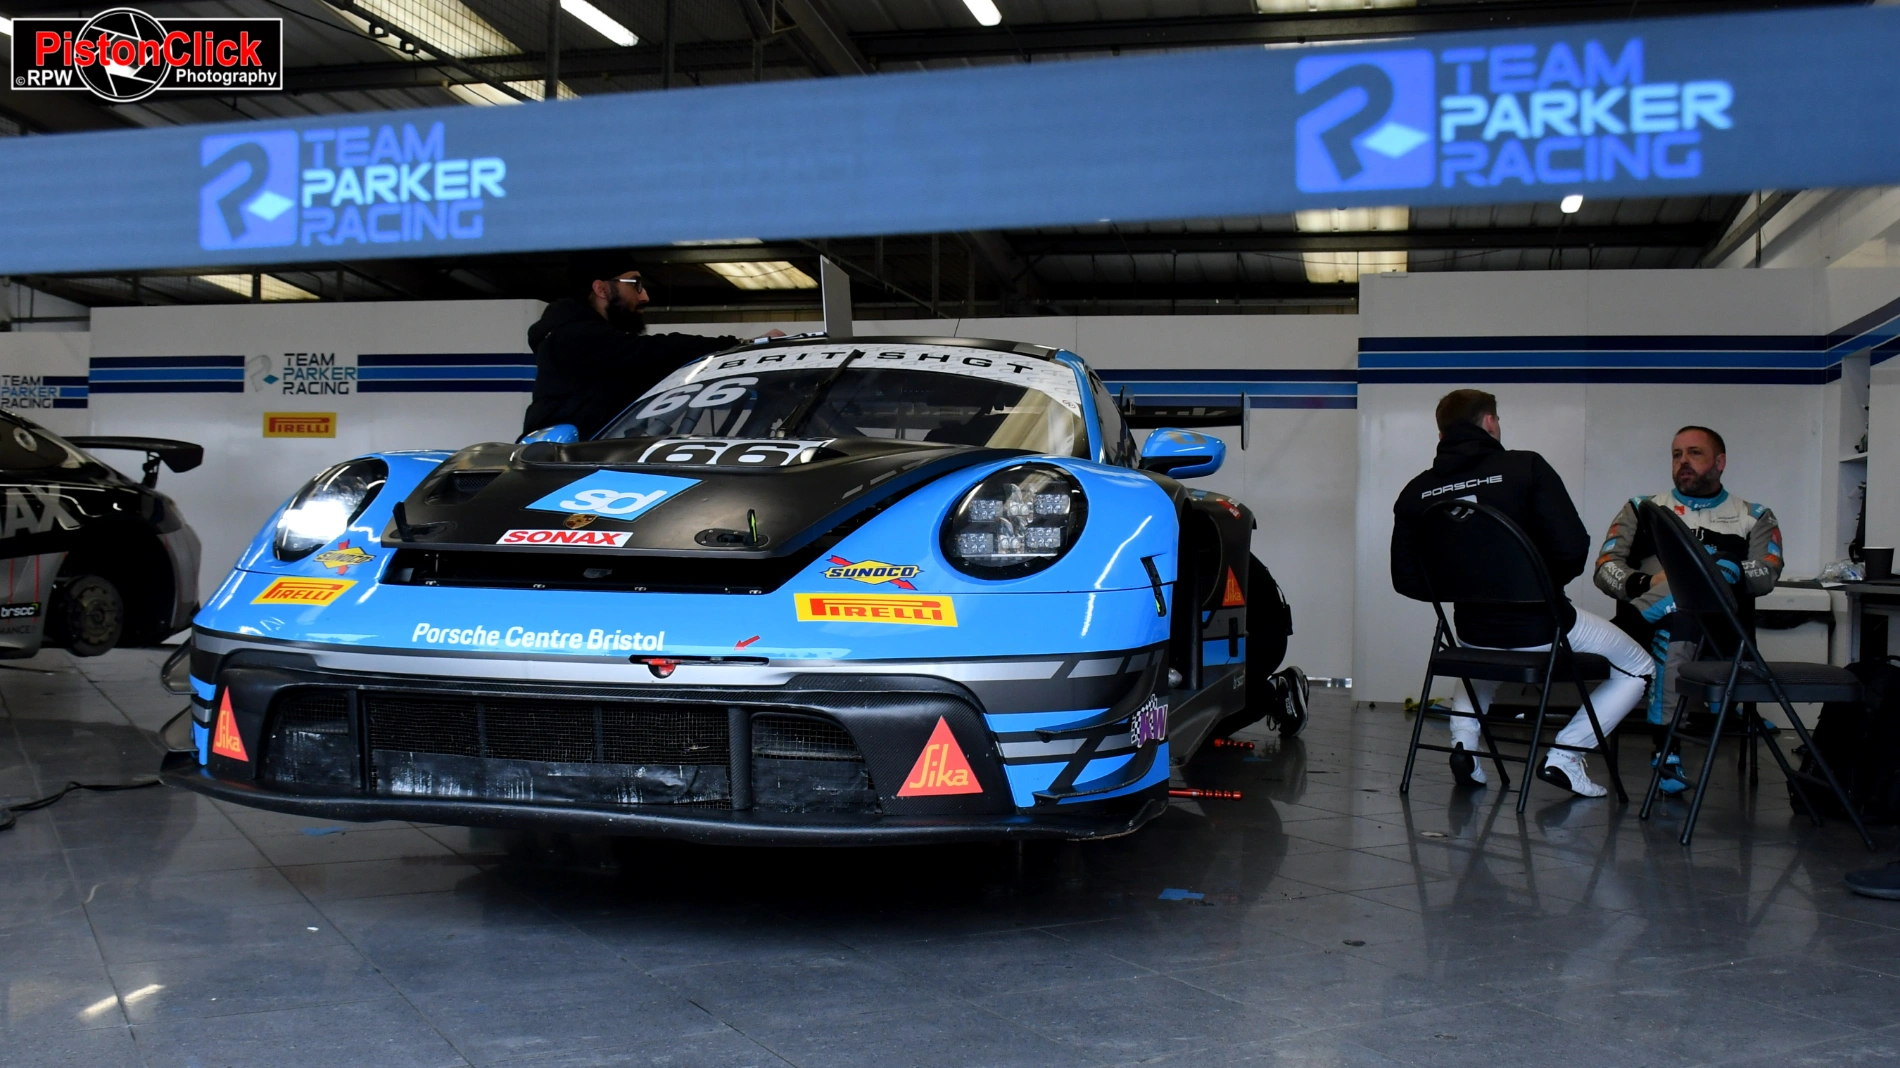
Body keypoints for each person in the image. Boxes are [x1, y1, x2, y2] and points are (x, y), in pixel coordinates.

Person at [1392, 390, 1654, 797]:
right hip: (1542, 625)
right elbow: (1571, 548)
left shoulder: (1415, 492)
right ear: (1490, 423)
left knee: (1482, 663)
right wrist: (1535, 590)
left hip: (1471, 631)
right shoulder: (1525, 467)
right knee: (1638, 667)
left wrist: (1471, 589)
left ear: (1441, 433)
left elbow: (1405, 578)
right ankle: (1565, 757)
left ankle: (1464, 747)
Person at [1594, 426, 1783, 794]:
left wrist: (1714, 573)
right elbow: (1605, 568)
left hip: (1724, 635)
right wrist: (1647, 583)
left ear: (1720, 462)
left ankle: (1630, 626)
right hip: (1659, 635)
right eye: (1676, 454)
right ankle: (1667, 748)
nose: (1683, 462)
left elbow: (1768, 571)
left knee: (1719, 570)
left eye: (1694, 453)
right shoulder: (1642, 508)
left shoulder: (1754, 515)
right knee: (1679, 619)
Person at [522, 260, 782, 439]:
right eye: (634, 284)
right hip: (567, 478)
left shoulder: (579, 341)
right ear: (601, 288)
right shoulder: (576, 339)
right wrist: (740, 346)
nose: (644, 296)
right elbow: (655, 351)